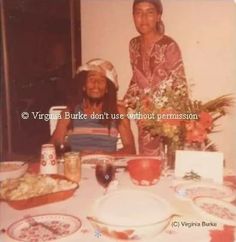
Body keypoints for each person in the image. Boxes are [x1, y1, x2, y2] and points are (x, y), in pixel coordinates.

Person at [124, 0, 188, 156]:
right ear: (133, 16)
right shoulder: (133, 45)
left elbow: (180, 87)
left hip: (168, 119)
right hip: (144, 118)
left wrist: (172, 121)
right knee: (148, 165)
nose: (143, 18)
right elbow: (137, 79)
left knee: (168, 167)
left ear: (158, 16)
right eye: (138, 12)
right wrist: (125, 101)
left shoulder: (168, 45)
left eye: (150, 12)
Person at [51, 58, 136, 154]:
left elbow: (131, 149)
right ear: (83, 86)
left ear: (107, 88)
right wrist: (76, 156)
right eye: (91, 79)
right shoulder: (68, 113)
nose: (96, 84)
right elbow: (53, 147)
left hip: (106, 166)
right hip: (77, 166)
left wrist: (106, 156)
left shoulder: (118, 112)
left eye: (102, 80)